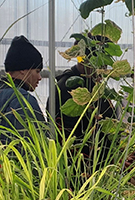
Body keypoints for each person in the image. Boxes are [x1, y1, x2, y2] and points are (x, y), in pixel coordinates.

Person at [51, 34, 119, 164]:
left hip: (97, 166)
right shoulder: (68, 88)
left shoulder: (94, 85)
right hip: (78, 168)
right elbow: (67, 133)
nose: (104, 69)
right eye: (102, 64)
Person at [0, 35, 46, 143]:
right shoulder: (24, 100)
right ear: (23, 70)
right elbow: (38, 145)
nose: (39, 77)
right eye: (37, 71)